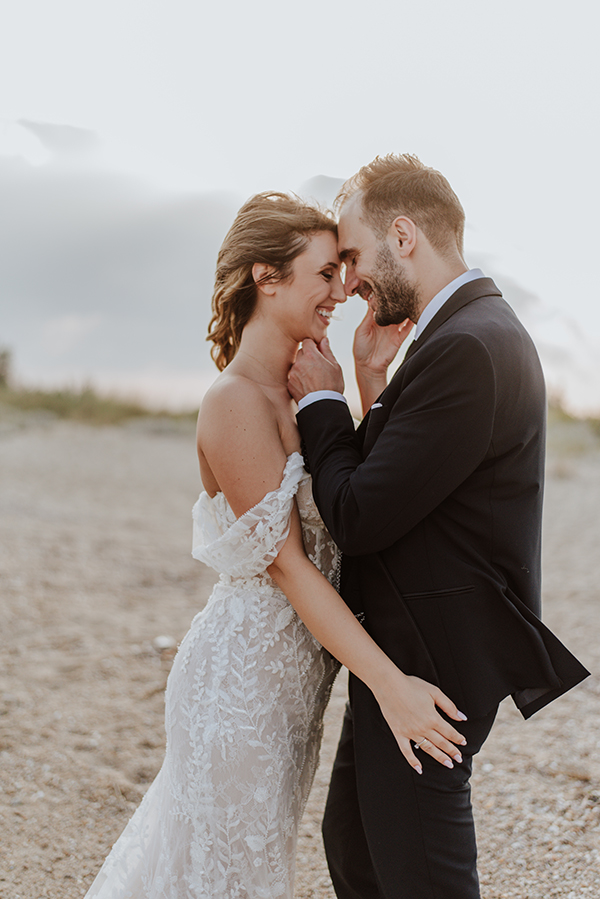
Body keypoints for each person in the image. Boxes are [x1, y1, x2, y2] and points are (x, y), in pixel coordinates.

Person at [83, 192, 468, 899]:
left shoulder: (302, 393)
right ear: (267, 277)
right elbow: (290, 567)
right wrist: (392, 687)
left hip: (292, 692)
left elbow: (361, 506)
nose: (343, 292)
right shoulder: (233, 401)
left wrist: (369, 379)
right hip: (242, 686)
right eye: (325, 273)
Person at [288, 154, 590, 899]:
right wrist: (370, 387)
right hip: (407, 646)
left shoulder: (469, 346)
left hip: (430, 665)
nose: (349, 282)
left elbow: (358, 515)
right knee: (355, 847)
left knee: (422, 877)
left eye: (353, 256)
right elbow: (404, 483)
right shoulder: (466, 333)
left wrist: (323, 403)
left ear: (403, 236)